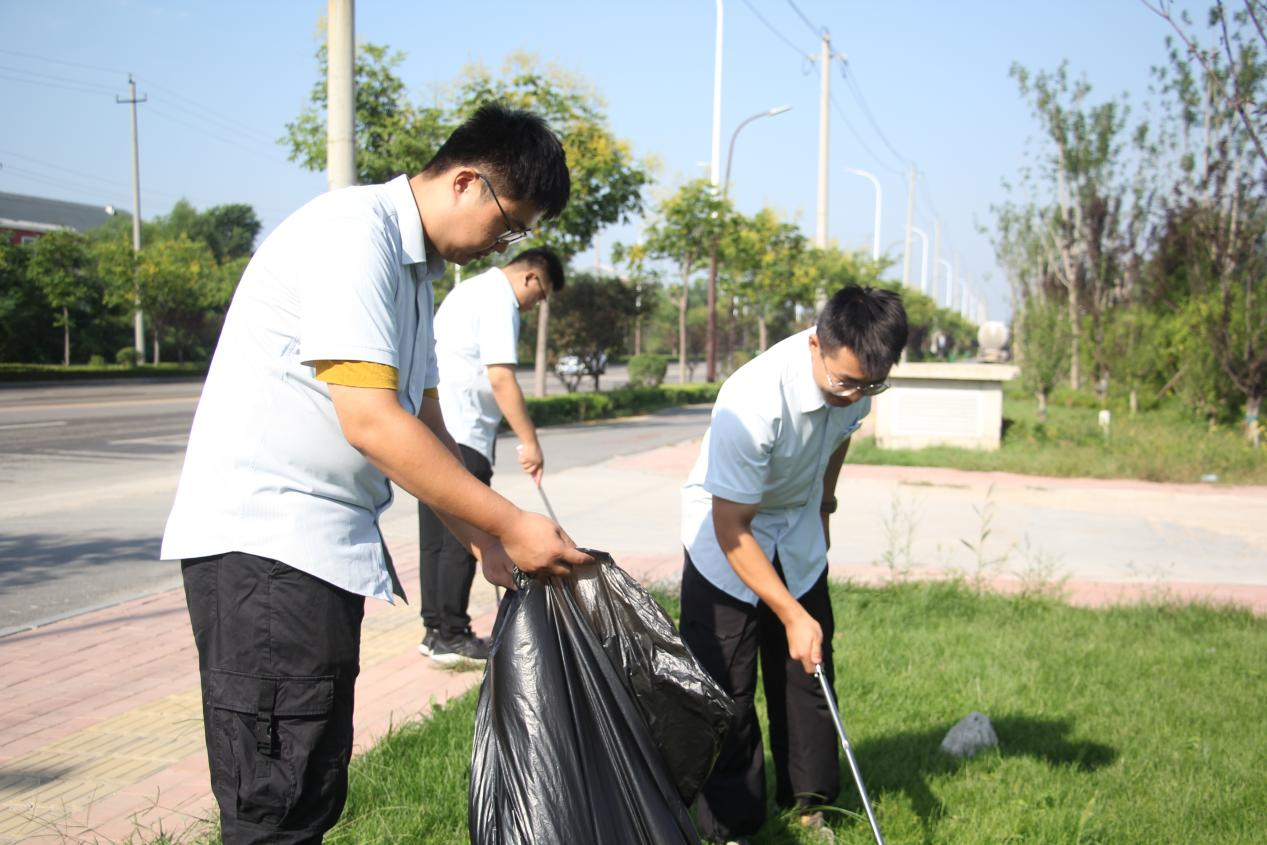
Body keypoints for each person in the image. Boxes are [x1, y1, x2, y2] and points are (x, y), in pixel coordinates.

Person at [160, 103, 592, 845]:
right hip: (267, 549)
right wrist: (510, 522)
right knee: (275, 807)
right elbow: (369, 421)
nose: (507, 243)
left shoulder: (412, 269)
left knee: (308, 790)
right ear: (467, 183)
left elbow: (423, 421)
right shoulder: (353, 233)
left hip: (313, 552)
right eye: (511, 224)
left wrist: (482, 538)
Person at [678, 285, 908, 844]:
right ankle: (731, 825)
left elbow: (839, 440)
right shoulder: (751, 399)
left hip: (798, 529)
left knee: (809, 675)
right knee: (724, 685)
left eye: (870, 385)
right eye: (845, 383)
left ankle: (810, 804)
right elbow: (732, 529)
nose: (856, 396)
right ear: (815, 345)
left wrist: (824, 508)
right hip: (727, 534)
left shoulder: (860, 382)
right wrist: (790, 613)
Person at [417, 246, 564, 663]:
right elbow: (501, 378)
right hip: (462, 434)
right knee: (464, 537)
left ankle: (436, 632)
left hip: (435, 427)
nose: (535, 305)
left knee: (435, 539)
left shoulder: (470, 290)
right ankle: (452, 633)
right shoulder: (500, 299)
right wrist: (530, 442)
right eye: (540, 296)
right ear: (532, 278)